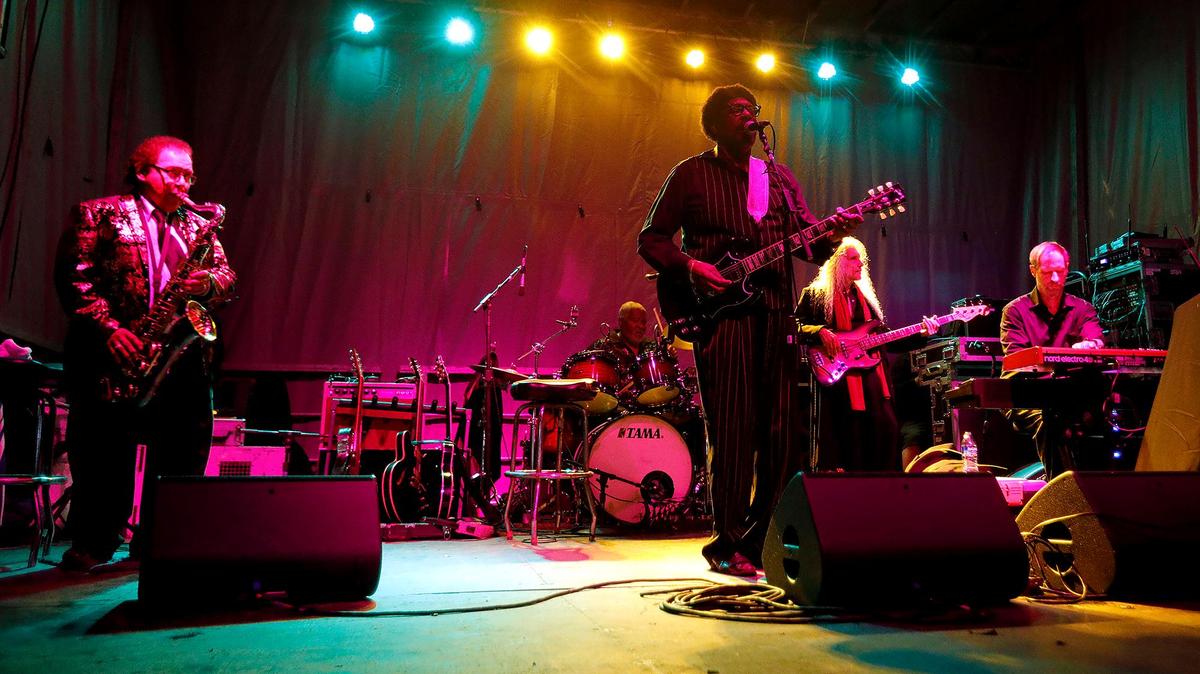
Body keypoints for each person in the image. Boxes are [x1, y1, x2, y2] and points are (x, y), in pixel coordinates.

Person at [638, 84, 861, 576]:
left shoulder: (777, 177)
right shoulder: (692, 174)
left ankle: (765, 541)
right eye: (735, 110)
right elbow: (651, 239)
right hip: (724, 319)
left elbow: (807, 244)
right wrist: (694, 267)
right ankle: (726, 544)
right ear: (715, 124)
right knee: (734, 431)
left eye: (752, 109)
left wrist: (836, 231)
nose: (748, 116)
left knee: (783, 434)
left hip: (777, 317)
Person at [53, 136, 236, 571]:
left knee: (183, 450)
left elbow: (228, 276)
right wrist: (109, 330)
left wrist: (208, 283)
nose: (184, 183)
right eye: (174, 173)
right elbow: (74, 280)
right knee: (101, 451)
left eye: (189, 175)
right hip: (113, 352)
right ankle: (95, 540)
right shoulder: (98, 213)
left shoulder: (198, 223)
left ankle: (161, 540)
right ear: (142, 172)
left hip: (179, 358)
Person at [795, 237, 939, 471]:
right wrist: (820, 331)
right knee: (847, 439)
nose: (860, 264)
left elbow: (887, 341)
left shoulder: (866, 303)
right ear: (837, 262)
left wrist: (923, 333)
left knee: (886, 432)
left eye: (861, 259)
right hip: (838, 384)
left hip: (872, 385)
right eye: (854, 258)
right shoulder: (815, 295)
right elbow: (796, 326)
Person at [1000, 241, 1105, 479]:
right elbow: (1018, 361)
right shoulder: (1015, 311)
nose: (1055, 279)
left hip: (1071, 397)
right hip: (1026, 397)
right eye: (1047, 272)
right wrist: (1065, 359)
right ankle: (1063, 495)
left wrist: (1092, 345)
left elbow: (1095, 340)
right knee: (1049, 420)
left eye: (1060, 271)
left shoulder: (1083, 309)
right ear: (1033, 270)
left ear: (1067, 268)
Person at [586, 301, 656, 373]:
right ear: (620, 322)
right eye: (635, 320)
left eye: (643, 322)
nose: (641, 326)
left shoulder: (651, 347)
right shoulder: (603, 347)